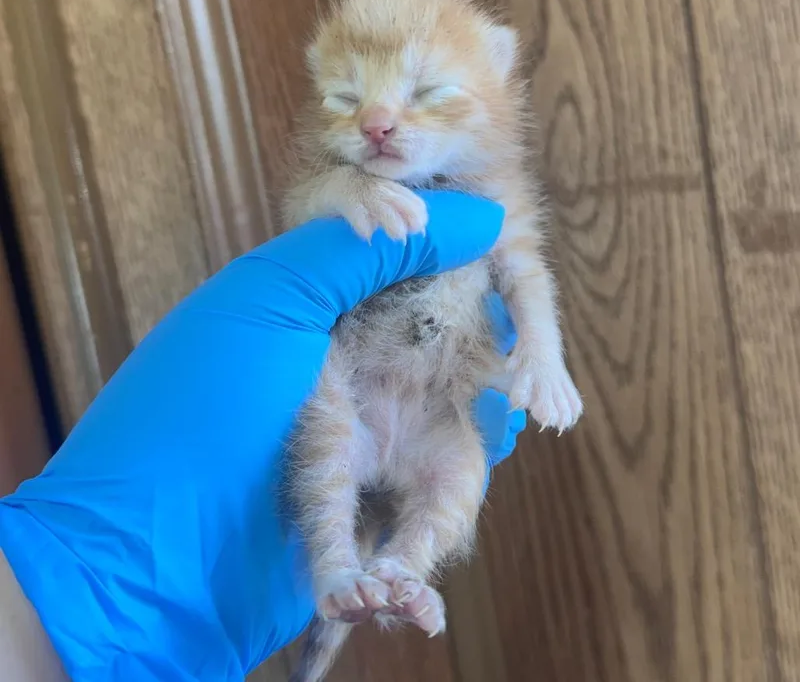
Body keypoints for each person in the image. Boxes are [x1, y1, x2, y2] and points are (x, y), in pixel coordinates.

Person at [0, 191, 525, 681]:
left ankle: (403, 570)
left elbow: (528, 278)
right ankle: (342, 570)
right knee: (333, 429)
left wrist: (542, 364)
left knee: (457, 463)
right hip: (359, 380)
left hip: (434, 399)